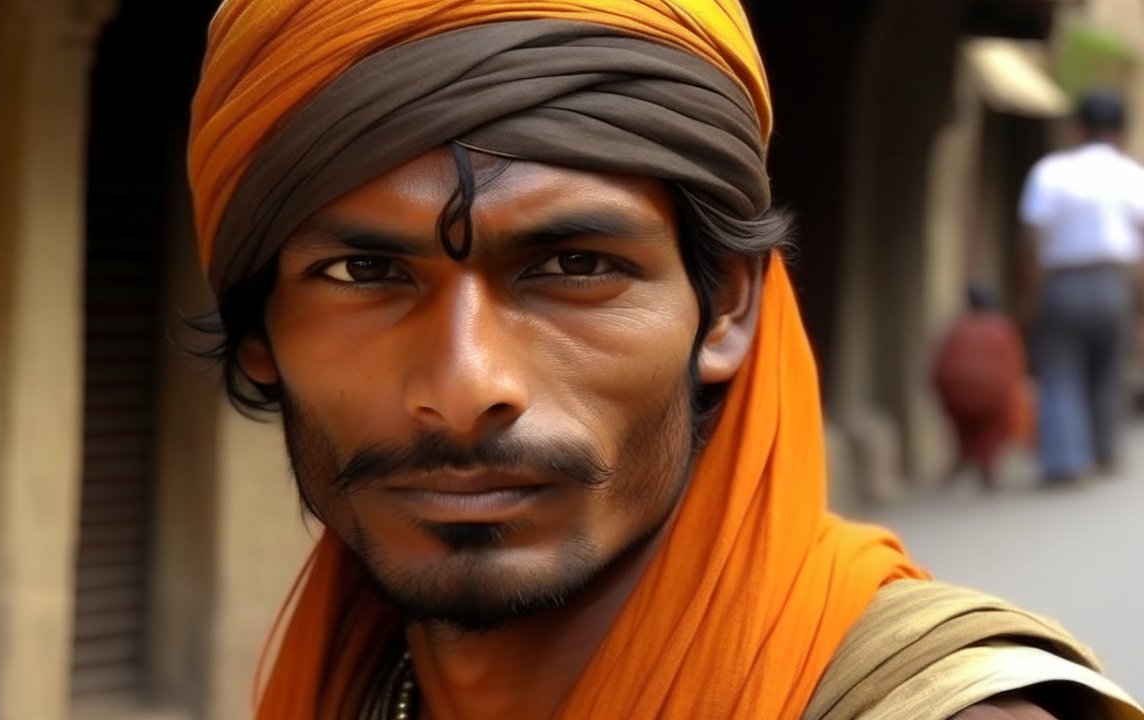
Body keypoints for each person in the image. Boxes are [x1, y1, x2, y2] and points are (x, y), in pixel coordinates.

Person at [187, 2, 1143, 718]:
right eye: (362, 271)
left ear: (724, 307)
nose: (467, 386)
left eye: (574, 267)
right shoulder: (358, 686)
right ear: (262, 333)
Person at [1019, 89, 1144, 486]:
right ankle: (1105, 448)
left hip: (1065, 280)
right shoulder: (1131, 175)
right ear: (1121, 133)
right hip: (1114, 279)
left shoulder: (1051, 171)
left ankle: (1067, 460)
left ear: (1077, 129)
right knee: (1109, 367)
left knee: (1060, 369)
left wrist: (1030, 289)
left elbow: (1031, 236)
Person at [931, 285, 1032, 490]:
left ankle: (962, 461)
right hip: (992, 396)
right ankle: (986, 467)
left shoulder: (955, 328)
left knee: (965, 429)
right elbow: (1014, 369)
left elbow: (939, 366)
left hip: (955, 395)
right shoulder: (1003, 329)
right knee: (991, 429)